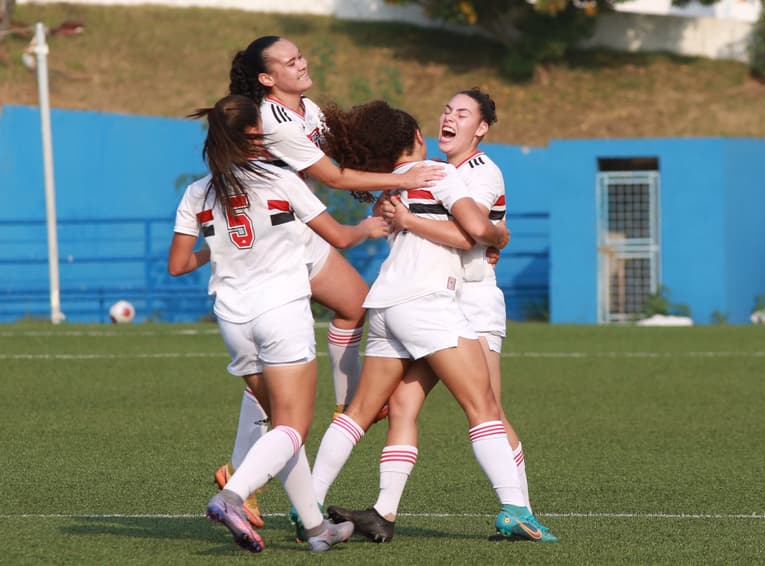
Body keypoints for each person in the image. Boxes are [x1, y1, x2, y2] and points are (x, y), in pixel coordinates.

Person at [214, 36, 445, 523]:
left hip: (297, 231)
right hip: (275, 244)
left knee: (355, 304)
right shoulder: (272, 120)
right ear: (266, 78)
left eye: (300, 55)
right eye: (289, 61)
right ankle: (242, 472)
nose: (301, 63)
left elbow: (345, 163)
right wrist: (400, 179)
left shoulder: (307, 109)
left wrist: (384, 157)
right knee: (272, 383)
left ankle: (346, 401)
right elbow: (336, 178)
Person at [303, 99, 545, 543]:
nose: (449, 118)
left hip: (403, 302)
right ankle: (516, 510)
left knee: (368, 411)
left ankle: (313, 506)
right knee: (483, 408)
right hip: (432, 303)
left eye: (462, 113)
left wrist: (419, 220)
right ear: (417, 136)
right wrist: (497, 233)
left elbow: (450, 229)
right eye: (446, 110)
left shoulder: (422, 179)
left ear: (483, 128)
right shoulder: (439, 171)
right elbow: (473, 229)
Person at [168, 94, 388, 552]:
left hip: (233, 320)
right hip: (281, 311)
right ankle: (233, 494)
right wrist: (368, 228)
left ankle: (316, 529)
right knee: (293, 429)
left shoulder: (197, 191)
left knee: (282, 431)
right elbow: (341, 238)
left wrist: (223, 245)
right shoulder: (280, 178)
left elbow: (179, 264)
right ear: (254, 135)